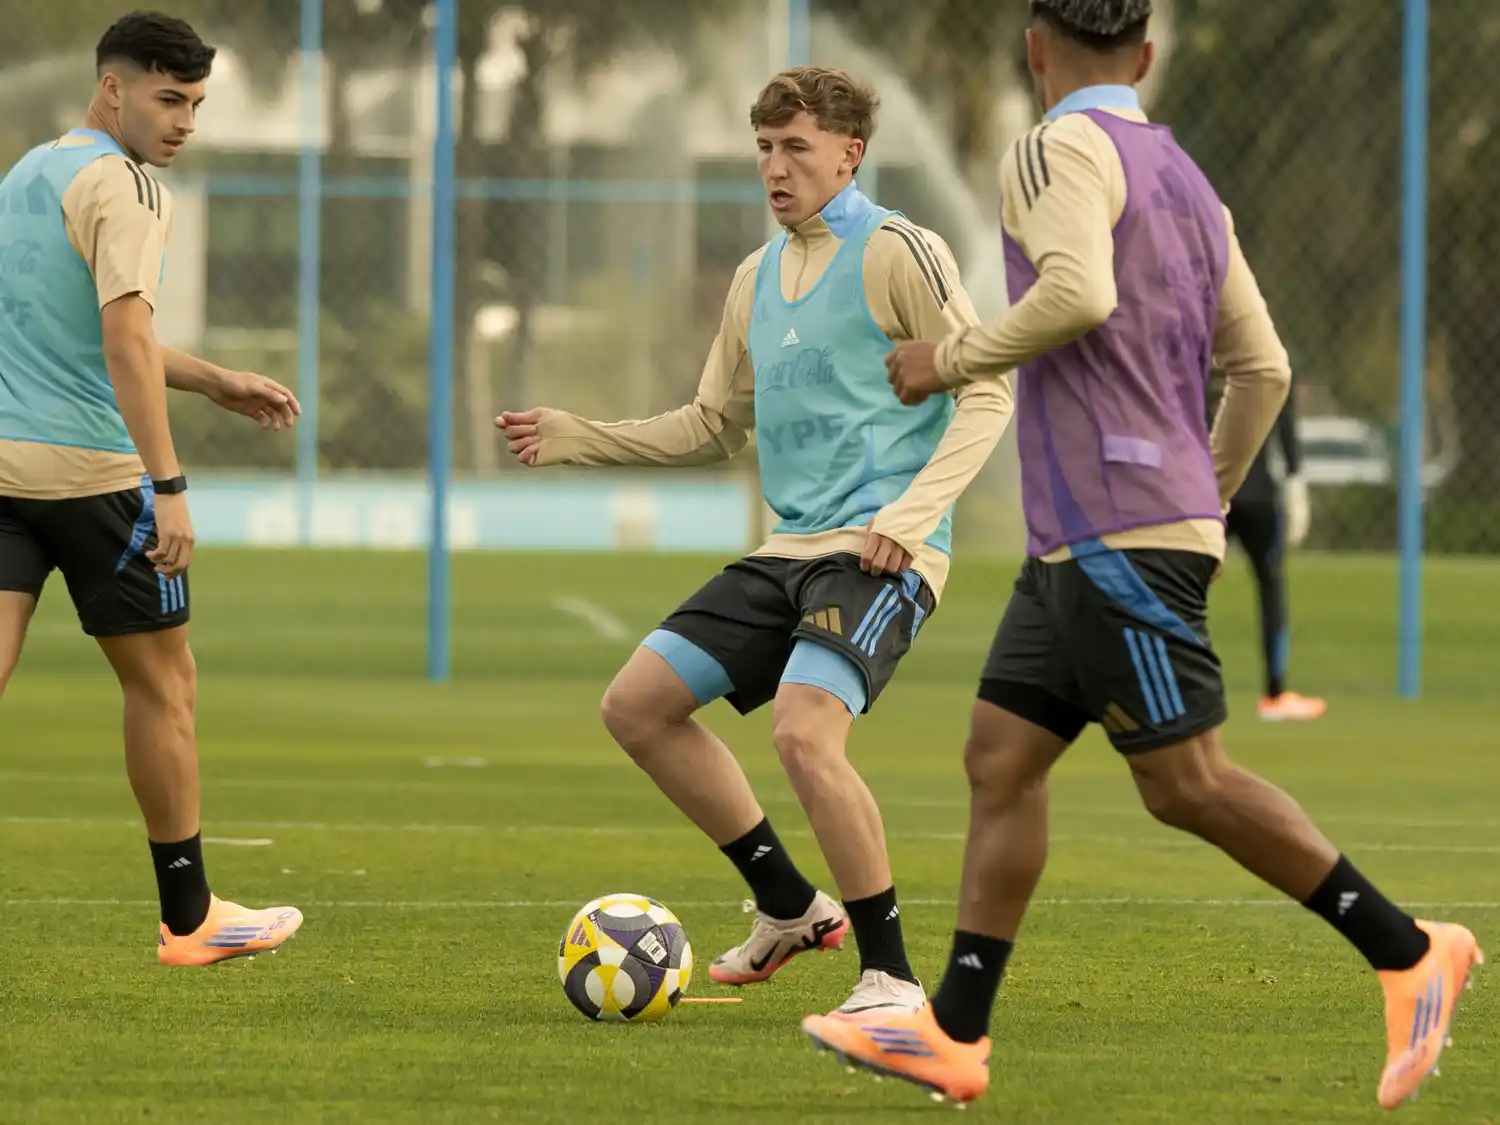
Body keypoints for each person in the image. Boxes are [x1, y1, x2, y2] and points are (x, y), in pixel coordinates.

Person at [799, 0, 1480, 1108]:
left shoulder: (1050, 145)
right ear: (1147, 56)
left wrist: (948, 358)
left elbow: (1079, 293)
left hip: (1114, 530)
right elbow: (1264, 369)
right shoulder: (1189, 181)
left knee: (1186, 782)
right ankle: (956, 1033)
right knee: (1000, 758)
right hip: (1093, 538)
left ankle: (1409, 951)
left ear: (1035, 47)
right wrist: (1205, 495)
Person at [498, 67, 1013, 1017]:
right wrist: (582, 436)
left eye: (797, 148)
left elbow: (989, 389)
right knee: (637, 706)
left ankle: (892, 978)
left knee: (803, 734)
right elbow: (712, 424)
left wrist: (910, 517)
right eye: (765, 149)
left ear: (850, 154)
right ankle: (788, 905)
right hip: (789, 551)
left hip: (880, 553)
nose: (776, 168)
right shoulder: (754, 277)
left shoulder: (899, 250)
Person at [0, 12, 304, 965]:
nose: (185, 123)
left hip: (4, 468)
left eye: (196, 104)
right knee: (165, 683)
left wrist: (213, 379)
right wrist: (168, 486)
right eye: (169, 99)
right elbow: (124, 339)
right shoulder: (128, 187)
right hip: (94, 478)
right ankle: (190, 918)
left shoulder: (27, 173)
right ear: (113, 88)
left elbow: (70, 330)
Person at [1217, 375, 1326, 721]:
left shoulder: (1190, 351)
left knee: (1182, 588)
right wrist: (1295, 480)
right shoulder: (1267, 353)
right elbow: (1285, 421)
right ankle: (1275, 694)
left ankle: (1177, 691)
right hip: (1255, 492)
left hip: (1210, 489)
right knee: (1271, 587)